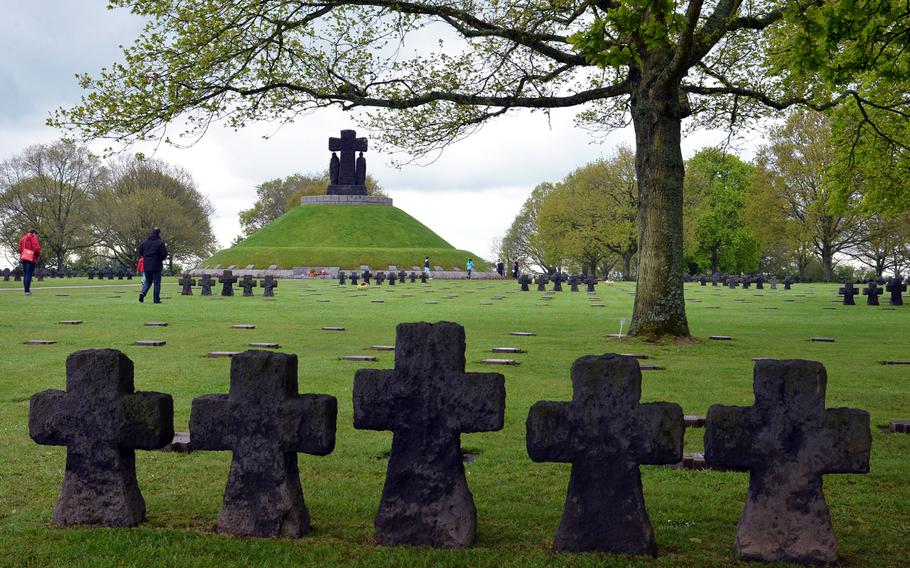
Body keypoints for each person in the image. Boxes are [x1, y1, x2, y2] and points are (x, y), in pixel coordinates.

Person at [138, 227, 168, 303]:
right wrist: (160, 259)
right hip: (156, 265)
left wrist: (146, 256)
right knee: (157, 283)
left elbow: (140, 251)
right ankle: (156, 300)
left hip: (147, 265)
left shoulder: (145, 242)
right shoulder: (160, 242)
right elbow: (164, 254)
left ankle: (143, 292)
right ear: (158, 233)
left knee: (148, 281)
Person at [18, 229, 40, 296]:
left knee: (25, 274)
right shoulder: (33, 238)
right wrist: (37, 255)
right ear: (33, 233)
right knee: (29, 274)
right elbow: (36, 248)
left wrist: (24, 253)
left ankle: (26, 290)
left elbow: (19, 249)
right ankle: (27, 291)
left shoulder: (22, 238)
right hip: (31, 258)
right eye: (36, 235)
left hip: (24, 258)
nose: (36, 236)